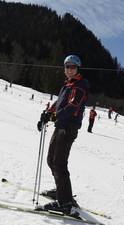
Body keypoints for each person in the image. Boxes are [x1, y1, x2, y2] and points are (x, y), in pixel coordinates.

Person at [36, 54, 88, 216]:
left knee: (59, 163)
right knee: (51, 160)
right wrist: (47, 113)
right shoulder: (67, 85)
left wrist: (53, 117)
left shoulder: (80, 86)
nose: (70, 70)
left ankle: (65, 202)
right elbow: (59, 104)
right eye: (67, 67)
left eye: (73, 67)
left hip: (68, 128)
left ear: (78, 68)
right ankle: (61, 190)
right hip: (60, 126)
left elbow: (72, 107)